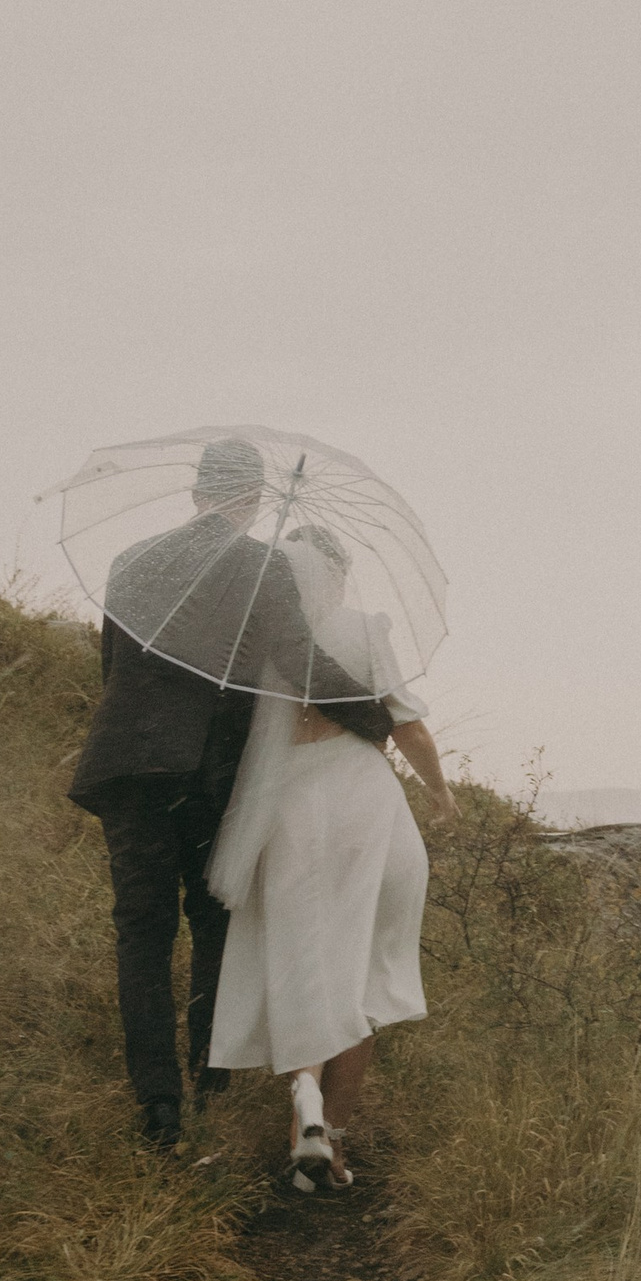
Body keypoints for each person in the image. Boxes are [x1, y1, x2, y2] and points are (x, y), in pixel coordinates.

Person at [67, 436, 388, 1144]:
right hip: (205, 774)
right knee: (212, 923)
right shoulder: (260, 565)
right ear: (253, 498)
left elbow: (113, 666)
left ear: (196, 491)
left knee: (141, 933)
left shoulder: (131, 561)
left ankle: (158, 1106)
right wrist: (375, 714)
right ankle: (208, 1084)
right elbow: (301, 661)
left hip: (126, 769)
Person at [204, 522, 456, 1188]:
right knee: (361, 967)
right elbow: (408, 725)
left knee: (303, 961)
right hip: (361, 800)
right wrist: (440, 792)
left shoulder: (259, 640)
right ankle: (332, 1143)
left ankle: (304, 1106)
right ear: (339, 574)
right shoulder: (365, 628)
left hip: (286, 801)